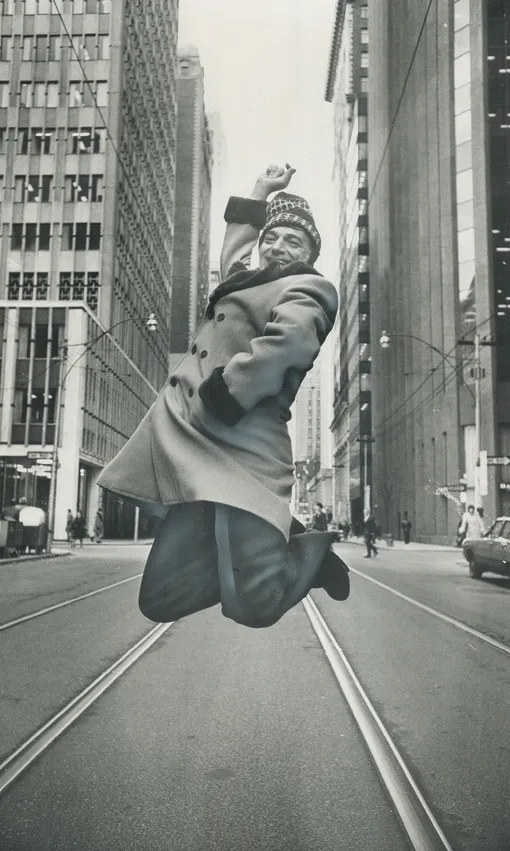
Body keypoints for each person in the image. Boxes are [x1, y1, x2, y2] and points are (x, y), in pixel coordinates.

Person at [97, 163, 350, 629]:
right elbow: (235, 250)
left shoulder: (308, 287)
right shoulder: (244, 282)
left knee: (256, 607)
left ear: (310, 253)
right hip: (193, 440)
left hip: (243, 441)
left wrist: (230, 391)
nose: (277, 247)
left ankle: (306, 554)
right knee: (159, 599)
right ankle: (264, 537)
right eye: (271, 238)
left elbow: (289, 342)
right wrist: (260, 190)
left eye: (293, 242)